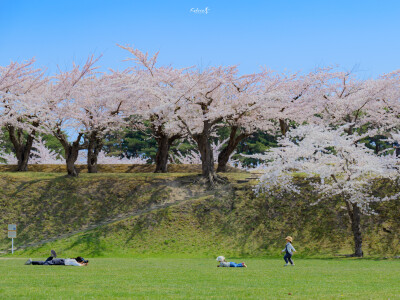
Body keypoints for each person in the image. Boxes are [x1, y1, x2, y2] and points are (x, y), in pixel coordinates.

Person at [24, 250, 89, 266]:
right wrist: (84, 264)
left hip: (60, 260)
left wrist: (84, 263)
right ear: (79, 261)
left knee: (45, 263)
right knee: (45, 264)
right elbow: (78, 265)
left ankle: (51, 256)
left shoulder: (73, 260)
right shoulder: (74, 262)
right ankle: (31, 262)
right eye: (82, 261)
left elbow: (79, 263)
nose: (83, 262)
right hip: (59, 261)